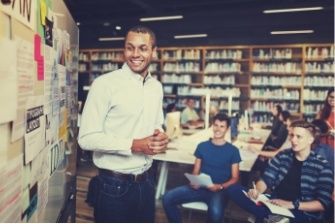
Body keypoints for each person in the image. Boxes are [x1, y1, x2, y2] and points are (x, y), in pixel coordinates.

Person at [78, 25, 169, 223]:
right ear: (124, 50)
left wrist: (159, 136)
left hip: (146, 183)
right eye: (130, 47)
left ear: (154, 51)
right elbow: (86, 138)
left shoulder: (156, 87)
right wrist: (133, 144)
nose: (135, 54)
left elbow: (157, 123)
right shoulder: (104, 84)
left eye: (143, 48)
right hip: (113, 187)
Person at [226, 120, 334, 222]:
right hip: (274, 203)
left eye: (299, 137)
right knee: (233, 189)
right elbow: (266, 179)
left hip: (301, 211)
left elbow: (322, 204)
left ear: (310, 140)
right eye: (292, 135)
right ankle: (271, 216)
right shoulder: (283, 155)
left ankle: (268, 216)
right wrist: (257, 191)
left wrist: (290, 204)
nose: (293, 140)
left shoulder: (322, 166)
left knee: (266, 216)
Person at [162, 113, 241, 222]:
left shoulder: (233, 151)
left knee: (216, 213)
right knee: (167, 198)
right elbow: (195, 171)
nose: (218, 129)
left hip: (219, 191)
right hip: (201, 187)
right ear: (212, 126)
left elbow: (235, 178)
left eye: (222, 126)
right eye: (216, 125)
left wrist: (220, 186)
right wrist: (194, 181)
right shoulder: (202, 146)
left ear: (227, 129)